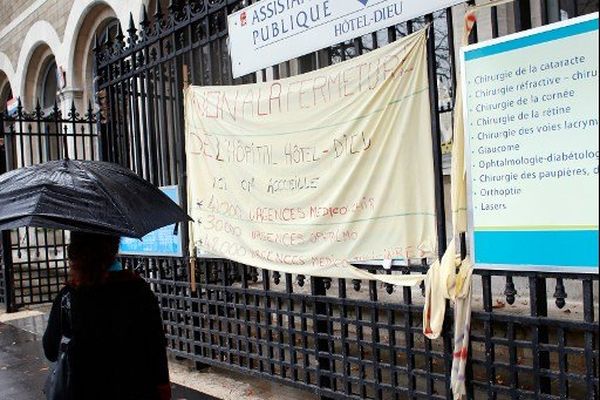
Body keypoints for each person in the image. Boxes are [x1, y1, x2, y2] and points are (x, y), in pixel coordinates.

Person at [43, 231, 171, 400]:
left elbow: (51, 350)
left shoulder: (69, 297)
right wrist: (162, 385)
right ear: (114, 247)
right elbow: (156, 345)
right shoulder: (139, 290)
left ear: (75, 252)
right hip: (136, 389)